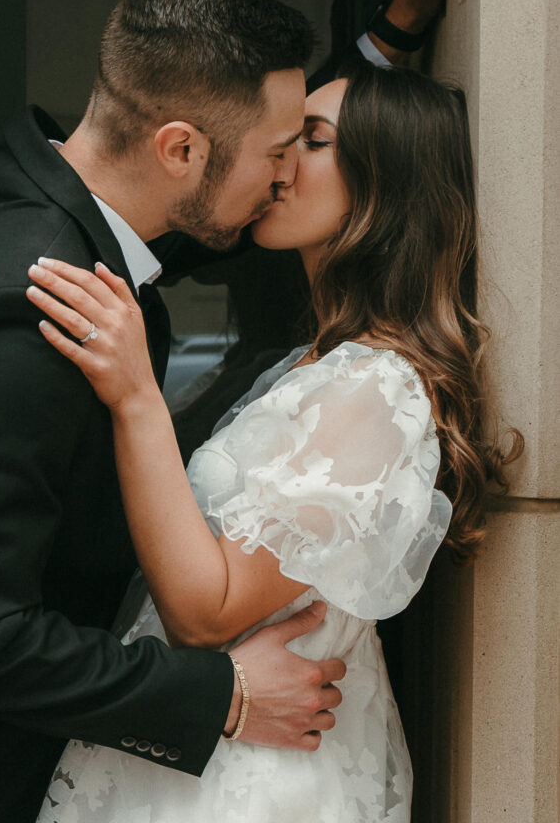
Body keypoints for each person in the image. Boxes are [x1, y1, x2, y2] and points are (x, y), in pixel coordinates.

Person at [0, 0, 455, 823]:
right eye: (282, 149)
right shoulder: (21, 305)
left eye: (305, 147)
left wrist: (390, 40)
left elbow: (304, 174)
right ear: (180, 149)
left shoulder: (43, 196)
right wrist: (223, 694)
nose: (283, 173)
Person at [28, 63, 522, 822]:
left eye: (311, 141)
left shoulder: (375, 390)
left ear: (384, 183)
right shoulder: (313, 364)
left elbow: (206, 613)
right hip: (209, 754)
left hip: (253, 782)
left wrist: (134, 396)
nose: (279, 163)